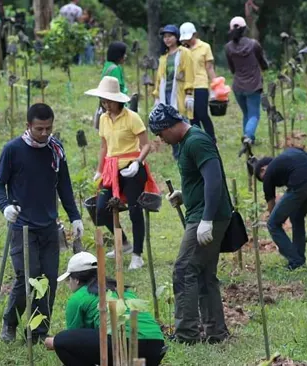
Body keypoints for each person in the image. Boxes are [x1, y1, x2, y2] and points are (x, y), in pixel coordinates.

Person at [0, 103, 84, 342]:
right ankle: (10, 323)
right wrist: (5, 207)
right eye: (39, 129)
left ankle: (38, 332)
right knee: (28, 277)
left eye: (48, 128)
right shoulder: (12, 150)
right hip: (22, 227)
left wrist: (75, 216)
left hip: (49, 227)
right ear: (28, 126)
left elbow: (64, 185)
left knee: (48, 281)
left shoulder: (55, 150)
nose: (44, 133)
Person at [149, 103, 231, 344]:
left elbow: (215, 180)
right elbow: (202, 180)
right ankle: (216, 332)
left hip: (207, 217)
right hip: (204, 212)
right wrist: (185, 195)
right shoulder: (187, 141)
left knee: (184, 270)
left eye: (160, 133)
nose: (161, 139)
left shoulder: (196, 141)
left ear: (170, 126)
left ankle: (186, 335)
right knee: (204, 274)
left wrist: (206, 219)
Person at [85, 76, 159, 269]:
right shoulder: (103, 118)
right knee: (101, 209)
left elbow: (146, 145)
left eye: (109, 100)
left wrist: (137, 162)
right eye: (103, 100)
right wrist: (99, 170)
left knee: (135, 210)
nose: (106, 104)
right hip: (111, 169)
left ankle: (137, 254)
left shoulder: (132, 118)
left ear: (118, 100)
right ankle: (124, 242)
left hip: (132, 169)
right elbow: (103, 146)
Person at [44, 252, 166, 366]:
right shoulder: (121, 289)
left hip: (124, 345)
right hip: (156, 347)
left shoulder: (78, 298)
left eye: (68, 280)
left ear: (76, 279)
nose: (68, 284)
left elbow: (74, 338)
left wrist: (54, 341)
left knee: (61, 340)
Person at [254, 148, 307, 270]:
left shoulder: (268, 173)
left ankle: (295, 261)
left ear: (263, 170)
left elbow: (271, 205)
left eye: (261, 178)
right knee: (297, 216)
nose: (264, 181)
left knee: (272, 224)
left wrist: (276, 224)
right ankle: (299, 258)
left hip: (300, 183)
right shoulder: (293, 152)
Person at [153, 24, 195, 159]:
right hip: (165, 95)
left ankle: (188, 153)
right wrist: (156, 97)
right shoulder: (163, 58)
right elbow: (159, 78)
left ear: (176, 37)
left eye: (170, 36)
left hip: (179, 95)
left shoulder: (184, 53)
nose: (167, 39)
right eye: (165, 37)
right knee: (169, 126)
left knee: (182, 123)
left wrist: (189, 93)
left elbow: (188, 73)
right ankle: (177, 155)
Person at [225, 16, 268, 146]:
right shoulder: (254, 44)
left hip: (238, 86)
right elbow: (263, 62)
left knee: (246, 114)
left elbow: (232, 69)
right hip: (254, 85)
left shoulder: (228, 47)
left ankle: (249, 139)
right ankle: (248, 136)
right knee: (254, 115)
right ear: (244, 29)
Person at [179, 22, 217, 142]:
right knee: (192, 116)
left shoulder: (205, 47)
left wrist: (216, 85)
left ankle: (211, 139)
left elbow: (209, 67)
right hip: (187, 86)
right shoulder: (182, 50)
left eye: (189, 38)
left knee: (202, 113)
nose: (187, 41)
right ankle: (199, 140)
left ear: (195, 35)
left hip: (201, 84)